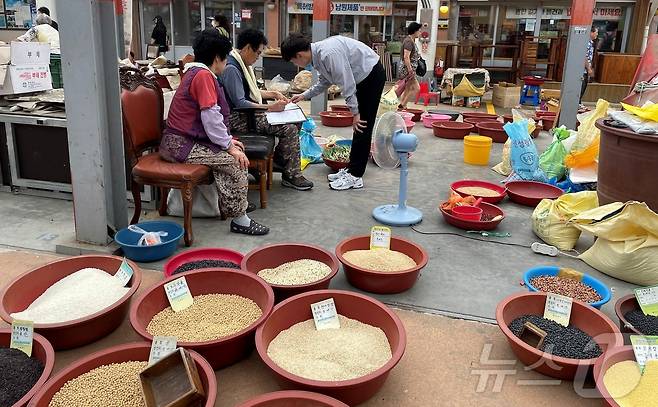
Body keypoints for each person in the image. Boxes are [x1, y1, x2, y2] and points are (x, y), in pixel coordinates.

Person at [159, 29, 269, 236]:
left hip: (182, 141)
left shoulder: (196, 73)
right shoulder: (202, 76)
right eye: (226, 58)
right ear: (217, 58)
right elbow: (211, 118)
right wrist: (228, 145)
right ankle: (239, 219)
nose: (227, 62)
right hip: (180, 144)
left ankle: (236, 204)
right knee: (236, 161)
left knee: (232, 152)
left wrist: (228, 142)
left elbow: (211, 120)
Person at [283, 34, 385, 191]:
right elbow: (325, 82)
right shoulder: (319, 57)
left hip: (370, 75)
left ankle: (356, 176)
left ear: (299, 55)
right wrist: (304, 95)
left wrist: (355, 113)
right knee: (359, 128)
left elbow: (347, 83)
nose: (296, 64)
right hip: (363, 77)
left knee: (362, 126)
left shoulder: (328, 54)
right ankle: (352, 169)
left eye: (293, 61)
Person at [219, 29, 313, 191]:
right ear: (248, 48)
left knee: (297, 121)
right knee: (289, 129)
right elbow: (240, 102)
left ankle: (280, 162)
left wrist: (273, 93)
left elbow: (249, 91)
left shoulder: (241, 64)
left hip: (247, 114)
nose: (257, 58)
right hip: (239, 118)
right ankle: (291, 175)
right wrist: (270, 107)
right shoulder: (232, 69)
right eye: (257, 53)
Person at [398, 22, 422, 110]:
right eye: (419, 30)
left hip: (409, 69)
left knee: (407, 89)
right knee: (416, 88)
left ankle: (402, 107)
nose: (420, 32)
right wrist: (410, 70)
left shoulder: (411, 40)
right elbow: (406, 57)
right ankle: (402, 105)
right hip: (408, 70)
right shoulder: (408, 41)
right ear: (414, 31)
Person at [581, 26, 598, 103]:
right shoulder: (587, 43)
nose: (597, 34)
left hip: (586, 69)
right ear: (591, 32)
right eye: (596, 32)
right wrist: (589, 69)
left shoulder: (591, 43)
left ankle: (579, 102)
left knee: (584, 86)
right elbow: (584, 56)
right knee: (581, 87)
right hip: (582, 70)